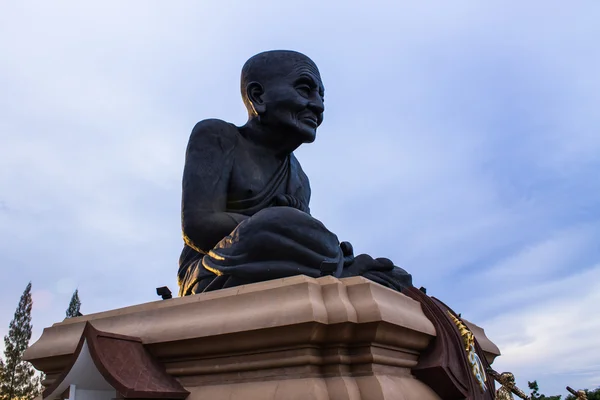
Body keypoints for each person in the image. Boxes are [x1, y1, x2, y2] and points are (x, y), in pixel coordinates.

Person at [178, 50, 412, 296]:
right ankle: (339, 267)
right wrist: (275, 220)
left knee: (394, 274)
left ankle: (337, 267)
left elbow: (301, 241)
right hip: (215, 268)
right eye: (304, 90)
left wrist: (296, 230)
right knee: (278, 222)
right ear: (258, 96)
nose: (318, 106)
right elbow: (198, 225)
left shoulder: (298, 177)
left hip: (285, 267)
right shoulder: (218, 136)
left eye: (321, 96)